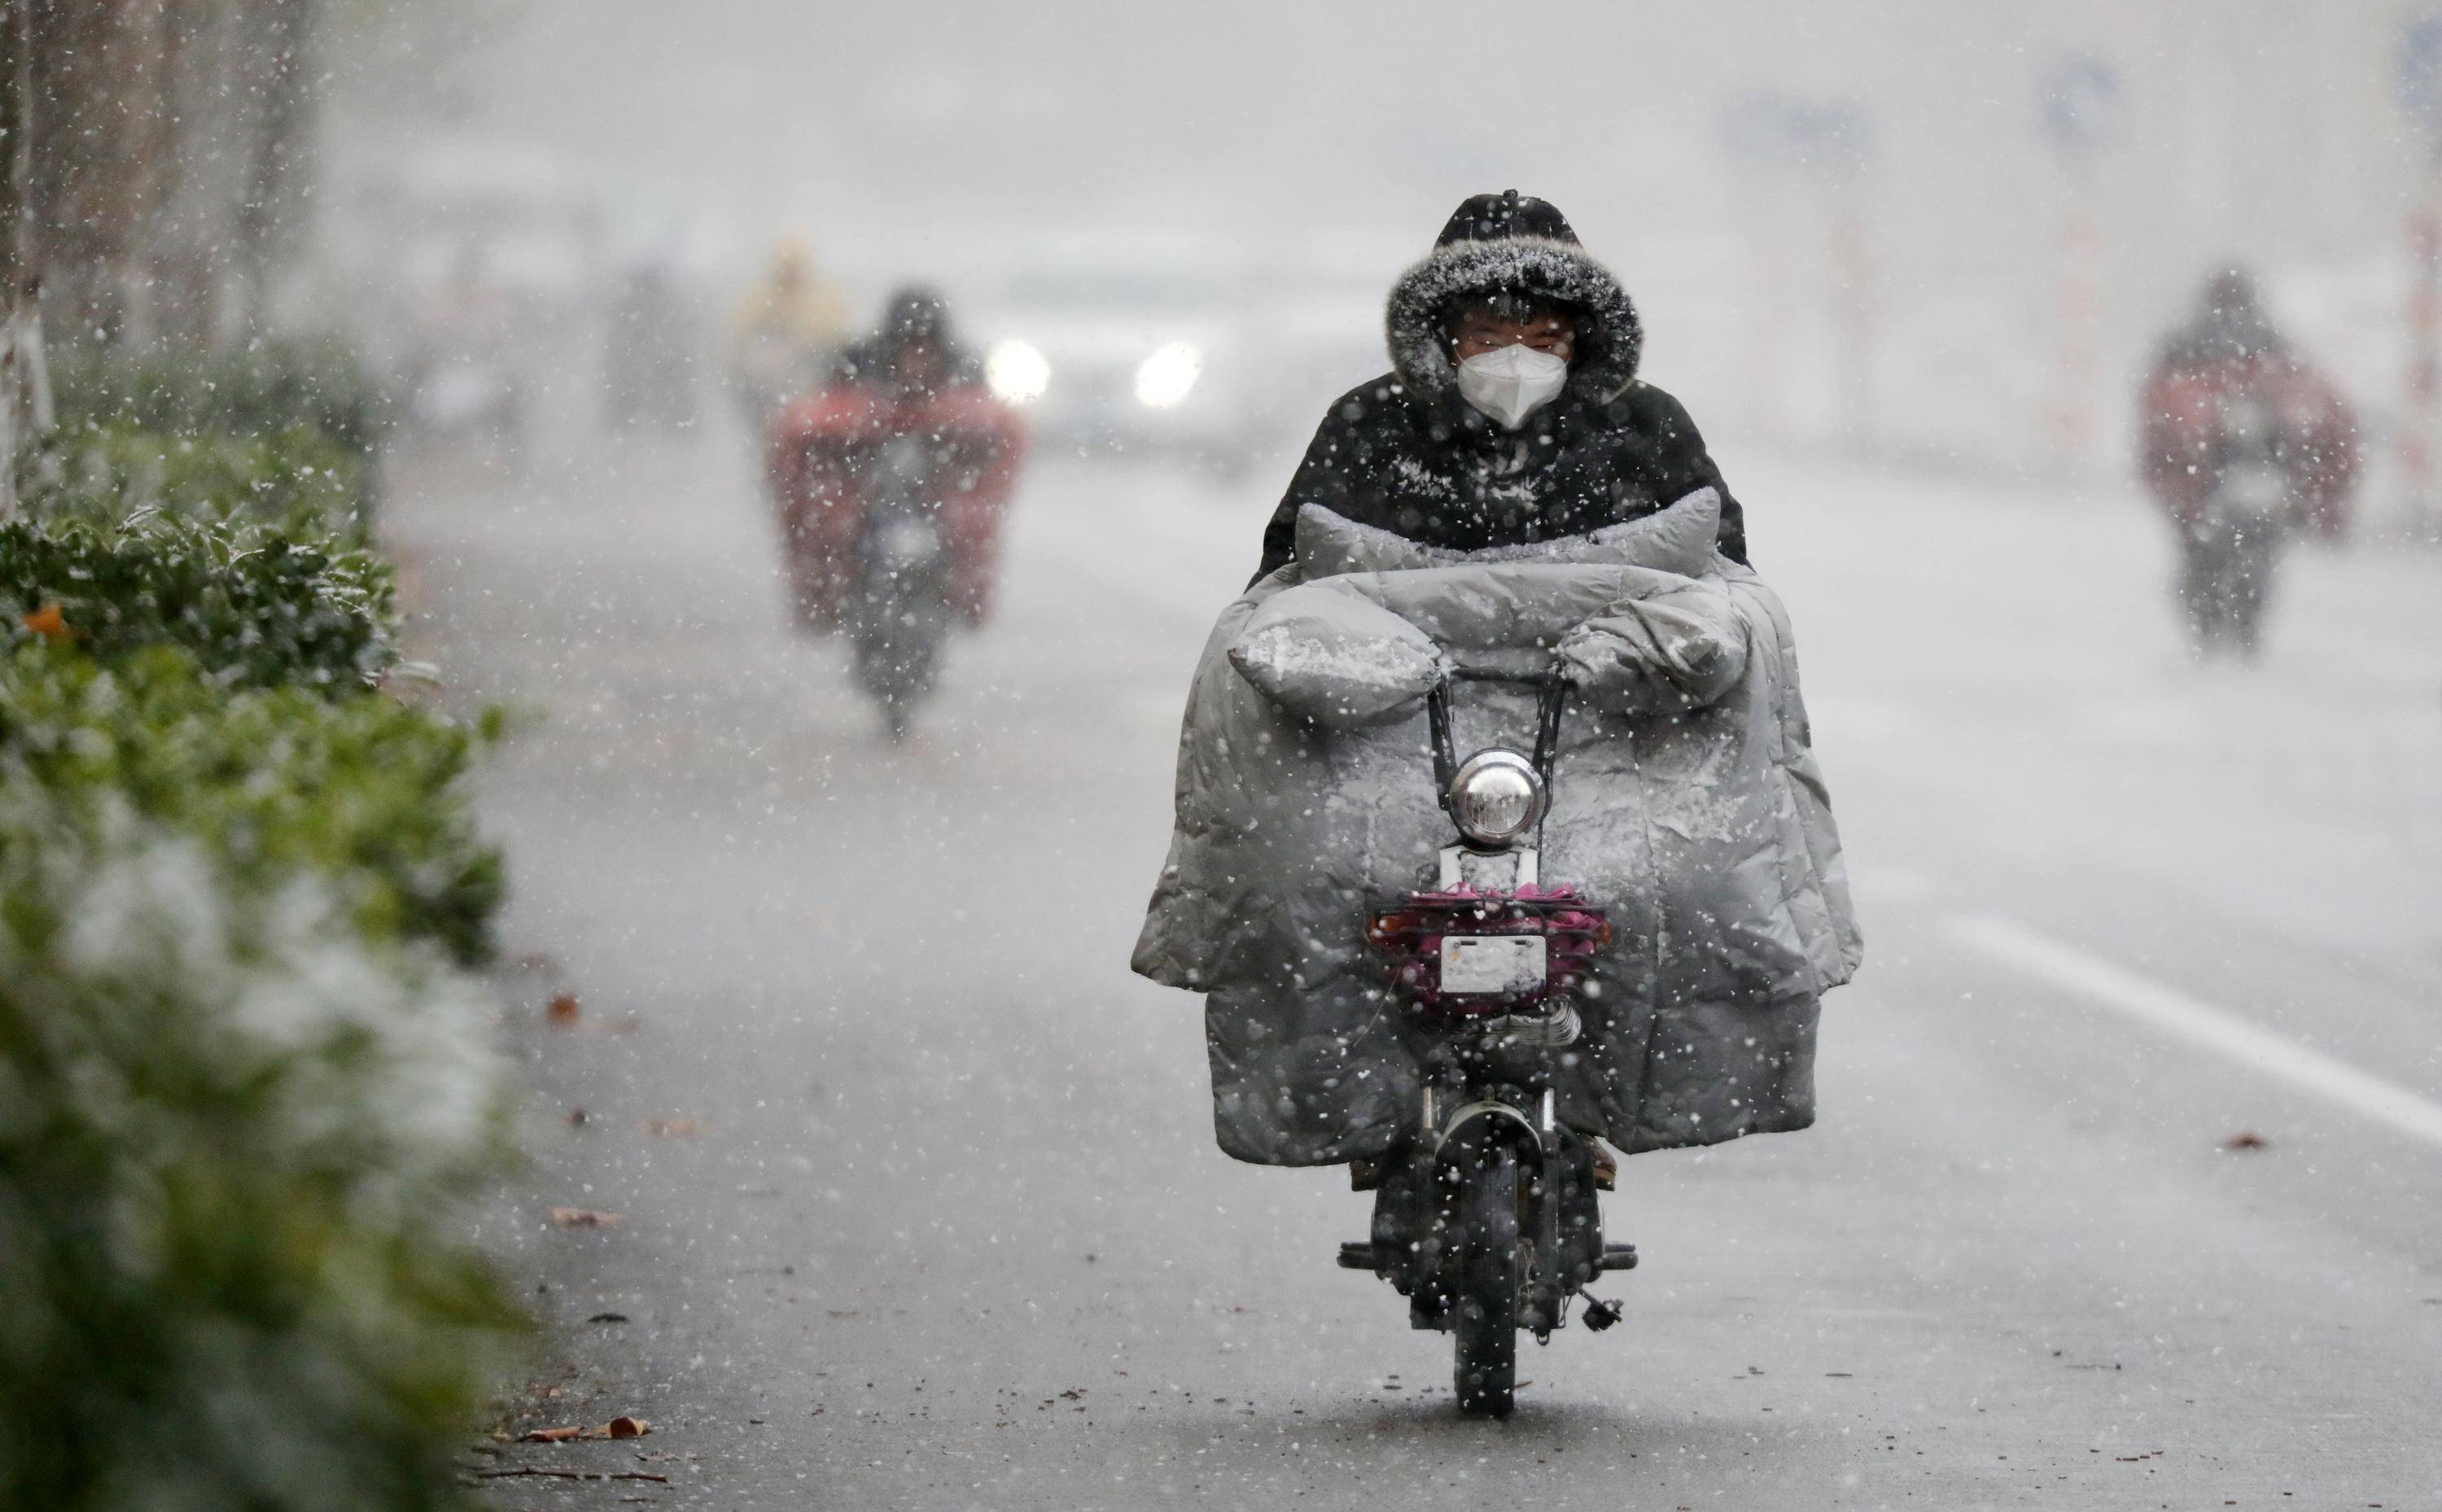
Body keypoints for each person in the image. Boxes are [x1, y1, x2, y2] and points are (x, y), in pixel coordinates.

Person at [1255, 190, 1748, 582]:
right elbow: (1290, 578)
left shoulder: (1645, 424)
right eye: (1488, 341)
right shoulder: (1373, 422)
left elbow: (1722, 582)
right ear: (1444, 340)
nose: (1516, 362)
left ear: (1582, 341)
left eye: (1544, 342)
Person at [764, 287, 1023, 636]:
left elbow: (1001, 438)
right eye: (908, 345)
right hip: (867, 493)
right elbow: (802, 430)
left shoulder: (964, 372)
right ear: (891, 344)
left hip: (934, 496)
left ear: (940, 346)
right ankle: (826, 602)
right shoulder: (855, 365)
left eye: (925, 347)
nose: (917, 359)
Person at [2139, 266, 2358, 544]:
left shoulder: (2183, 363)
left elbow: (2159, 445)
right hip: (2244, 480)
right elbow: (2334, 439)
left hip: (2217, 486)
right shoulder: (2278, 358)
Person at [727, 234, 851, 427]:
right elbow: (739, 343)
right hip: (767, 384)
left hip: (810, 377)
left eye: (795, 267)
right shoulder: (758, 298)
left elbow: (836, 340)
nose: (790, 273)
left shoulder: (824, 299)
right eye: (787, 266)